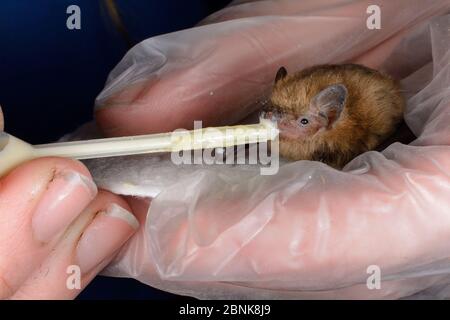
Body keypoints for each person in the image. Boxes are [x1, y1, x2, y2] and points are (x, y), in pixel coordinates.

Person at [2, 0, 450, 300]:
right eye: (272, 113)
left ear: (329, 120)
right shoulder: (288, 121)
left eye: (301, 123)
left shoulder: (357, 124)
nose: (275, 126)